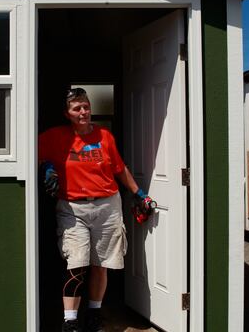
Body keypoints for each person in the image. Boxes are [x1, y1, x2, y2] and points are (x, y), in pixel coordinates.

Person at [38, 87, 152, 332]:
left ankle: (94, 313)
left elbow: (119, 168)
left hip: (107, 206)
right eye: (76, 108)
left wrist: (138, 193)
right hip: (72, 208)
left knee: (101, 264)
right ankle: (70, 321)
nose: (83, 112)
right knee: (76, 263)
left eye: (86, 107)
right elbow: (32, 155)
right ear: (67, 113)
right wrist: (46, 166)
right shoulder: (53, 137)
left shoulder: (105, 136)